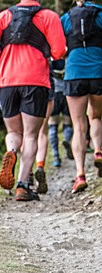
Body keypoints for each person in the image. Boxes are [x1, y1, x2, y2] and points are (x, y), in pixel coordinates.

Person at [0, 0, 67, 201]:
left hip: (6, 80)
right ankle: (22, 185)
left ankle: (11, 150)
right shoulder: (49, 17)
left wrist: (1, 57)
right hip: (35, 80)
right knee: (31, 135)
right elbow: (59, 50)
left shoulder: (4, 16)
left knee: (13, 132)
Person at [61, 0, 102, 193]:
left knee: (78, 125)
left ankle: (80, 175)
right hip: (98, 71)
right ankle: (98, 152)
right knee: (95, 116)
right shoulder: (100, 15)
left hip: (75, 73)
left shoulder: (66, 18)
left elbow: (58, 48)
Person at [48, 59, 74, 167]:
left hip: (54, 94)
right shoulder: (67, 58)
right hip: (66, 92)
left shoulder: (50, 58)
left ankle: (55, 156)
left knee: (52, 125)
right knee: (68, 122)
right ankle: (67, 140)